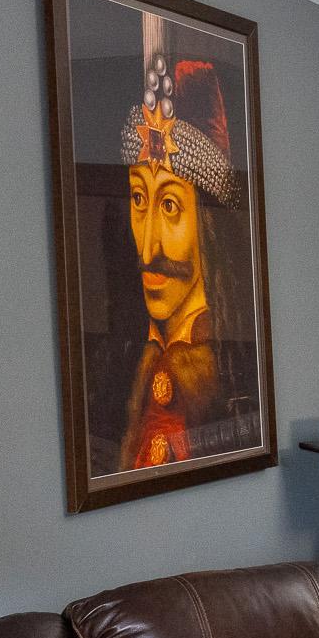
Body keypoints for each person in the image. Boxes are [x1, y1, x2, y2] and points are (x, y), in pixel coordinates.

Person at [114, 53, 258, 470]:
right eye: (139, 199)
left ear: (209, 229)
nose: (148, 247)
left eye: (171, 206)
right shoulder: (145, 359)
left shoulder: (220, 373)